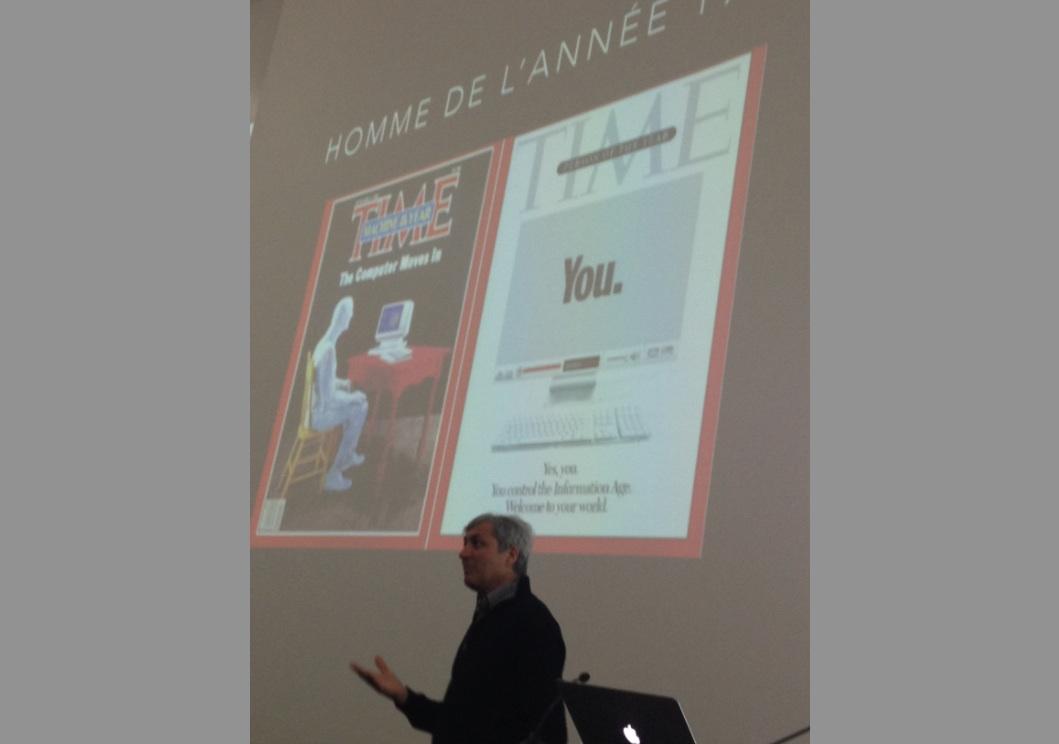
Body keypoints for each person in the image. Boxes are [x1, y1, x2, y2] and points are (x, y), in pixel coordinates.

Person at [351, 513, 567, 744]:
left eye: (477, 543)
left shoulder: (533, 623)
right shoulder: (491, 615)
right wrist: (404, 697)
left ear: (511, 555)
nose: (463, 553)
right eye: (465, 543)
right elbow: (461, 720)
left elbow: (535, 728)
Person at [312, 296, 368, 491]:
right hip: (319, 416)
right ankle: (334, 473)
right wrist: (352, 397)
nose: (350, 319)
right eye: (349, 315)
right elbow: (329, 398)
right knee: (359, 407)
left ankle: (347, 455)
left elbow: (323, 381)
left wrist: (342, 383)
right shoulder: (329, 350)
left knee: (357, 405)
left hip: (317, 408)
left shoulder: (324, 343)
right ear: (343, 317)